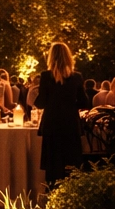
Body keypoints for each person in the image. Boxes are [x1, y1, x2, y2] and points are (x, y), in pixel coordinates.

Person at [37, 41, 91, 186]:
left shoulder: (45, 76)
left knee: (52, 165)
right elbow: (85, 103)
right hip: (70, 125)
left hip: (51, 125)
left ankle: (51, 195)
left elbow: (40, 102)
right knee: (72, 164)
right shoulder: (76, 77)